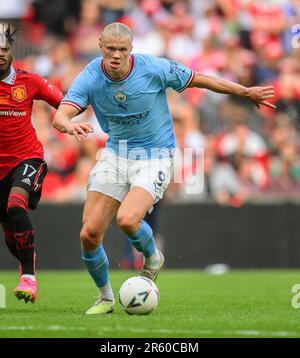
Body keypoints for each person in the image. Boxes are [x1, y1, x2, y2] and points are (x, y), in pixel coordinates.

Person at [53, 22, 275, 315]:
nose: (116, 55)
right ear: (100, 47)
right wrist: (68, 124)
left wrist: (244, 92)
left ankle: (153, 258)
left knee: (128, 219)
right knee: (89, 234)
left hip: (155, 154)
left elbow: (200, 79)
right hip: (116, 153)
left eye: (122, 50)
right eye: (111, 49)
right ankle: (105, 299)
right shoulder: (91, 75)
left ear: (131, 50)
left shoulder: (154, 68)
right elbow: (61, 115)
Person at [0, 24, 63, 303]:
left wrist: (71, 122)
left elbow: (65, 102)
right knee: (11, 236)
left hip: (28, 158)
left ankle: (29, 278)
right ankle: (27, 257)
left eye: (4, 49)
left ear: (12, 51)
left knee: (16, 204)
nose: (0, 54)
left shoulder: (30, 81)